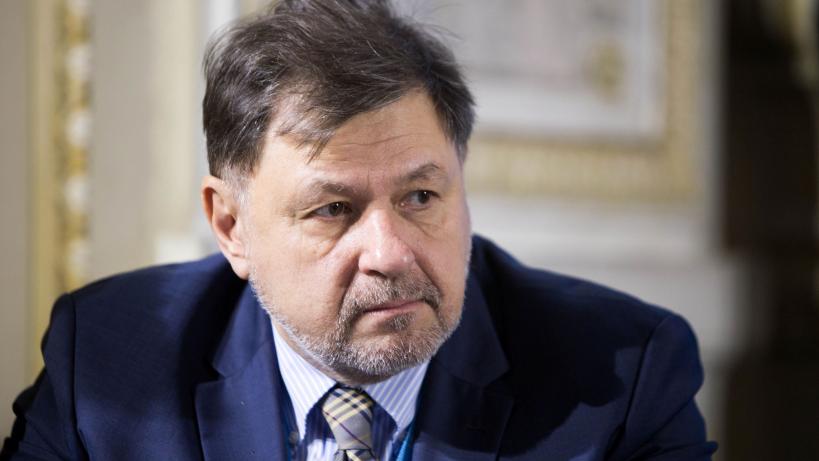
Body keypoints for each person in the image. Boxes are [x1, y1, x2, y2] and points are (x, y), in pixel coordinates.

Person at [1, 1, 717, 460]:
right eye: (333, 210)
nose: (390, 253)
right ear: (231, 225)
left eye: (421, 196)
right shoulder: (106, 363)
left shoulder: (620, 379)